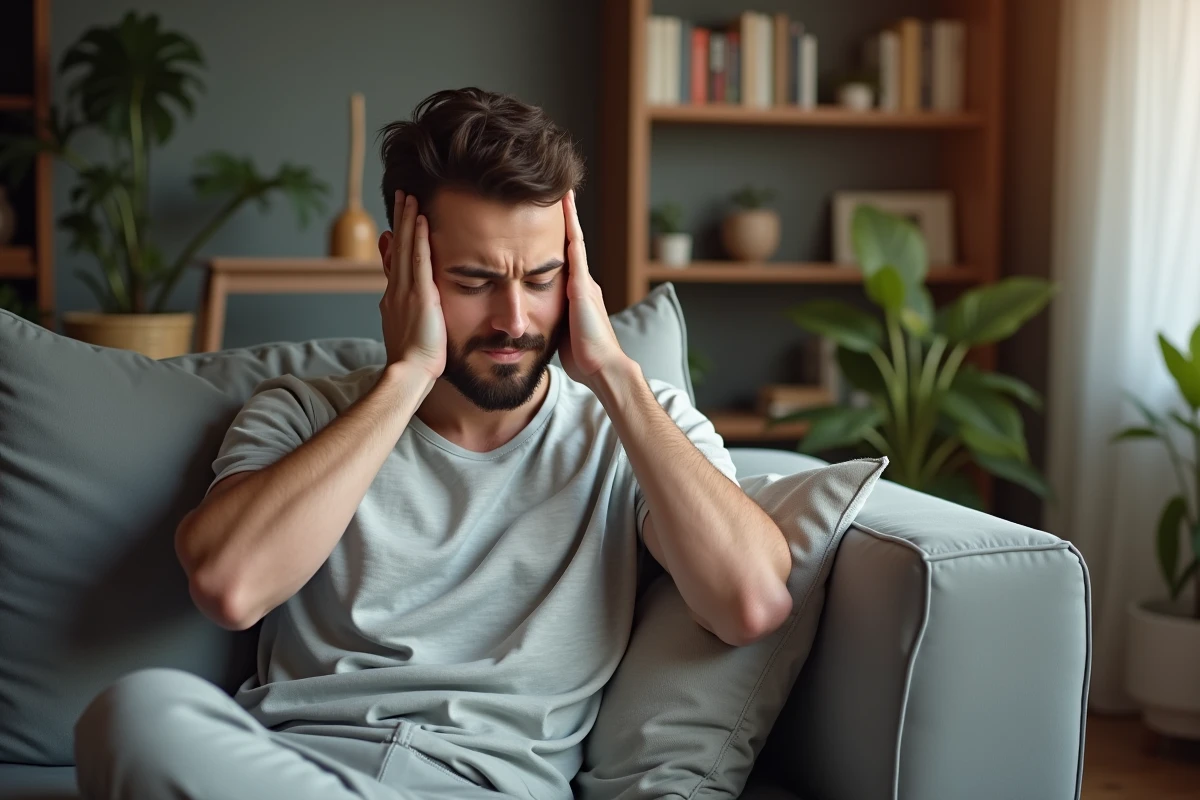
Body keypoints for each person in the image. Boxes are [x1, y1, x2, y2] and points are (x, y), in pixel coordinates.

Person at [73, 88, 792, 800]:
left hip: (486, 788)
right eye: (475, 281)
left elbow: (751, 604)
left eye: (542, 278)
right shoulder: (302, 413)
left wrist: (615, 376)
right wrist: (406, 378)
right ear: (399, 264)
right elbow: (231, 588)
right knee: (134, 714)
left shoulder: (635, 426)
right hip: (292, 775)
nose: (515, 319)